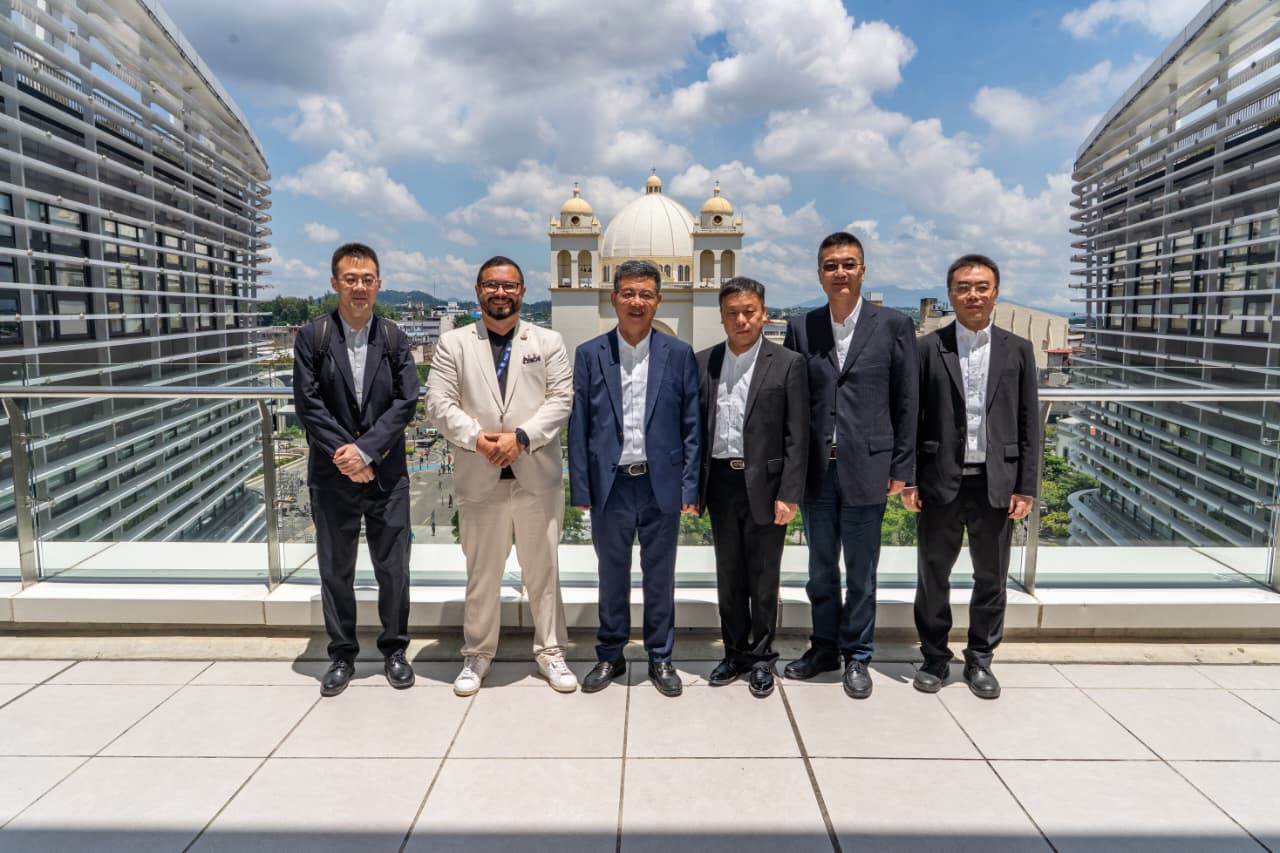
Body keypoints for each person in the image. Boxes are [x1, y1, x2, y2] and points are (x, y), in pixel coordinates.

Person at [426, 256, 576, 695]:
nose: (500, 293)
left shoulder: (547, 341)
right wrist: (479, 440)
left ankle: (551, 651)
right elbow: (438, 403)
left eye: (509, 286)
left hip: (536, 478)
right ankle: (477, 653)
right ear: (478, 290)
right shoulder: (454, 343)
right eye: (492, 285)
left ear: (523, 291)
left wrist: (522, 439)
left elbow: (561, 399)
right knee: (482, 574)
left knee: (543, 573)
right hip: (480, 477)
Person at [783, 231, 919, 698]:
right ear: (819, 274)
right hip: (817, 471)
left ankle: (858, 655)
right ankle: (823, 648)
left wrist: (902, 467)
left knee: (861, 572)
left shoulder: (894, 325)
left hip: (869, 467)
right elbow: (794, 403)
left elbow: (907, 400)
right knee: (821, 570)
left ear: (863, 270)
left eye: (848, 264)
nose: (839, 272)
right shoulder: (802, 327)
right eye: (830, 265)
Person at [903, 254, 1039, 700]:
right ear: (950, 294)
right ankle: (934, 657)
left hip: (996, 483)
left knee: (992, 577)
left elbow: (1029, 424)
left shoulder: (1018, 349)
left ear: (995, 292)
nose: (973, 295)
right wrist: (909, 478)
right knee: (933, 574)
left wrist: (1026, 486)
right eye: (963, 287)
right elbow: (912, 418)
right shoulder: (927, 348)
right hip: (939, 479)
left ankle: (980, 658)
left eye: (981, 287)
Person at [568, 259, 701, 697]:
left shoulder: (678, 354)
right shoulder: (590, 354)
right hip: (611, 486)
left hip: (660, 484)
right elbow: (579, 425)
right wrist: (581, 487)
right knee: (612, 574)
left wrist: (689, 486)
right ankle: (611, 654)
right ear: (614, 299)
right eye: (628, 293)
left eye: (645, 294)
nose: (636, 302)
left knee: (660, 576)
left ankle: (660, 656)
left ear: (658, 300)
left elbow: (691, 426)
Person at [293, 242, 419, 697]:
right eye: (351, 279)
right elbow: (308, 404)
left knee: (394, 568)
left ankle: (394, 650)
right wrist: (345, 455)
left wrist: (365, 452)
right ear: (335, 283)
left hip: (386, 474)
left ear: (379, 284)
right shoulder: (313, 336)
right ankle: (342, 653)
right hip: (332, 475)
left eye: (367, 279)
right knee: (335, 569)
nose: (359, 287)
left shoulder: (394, 338)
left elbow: (406, 401)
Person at [696, 277, 808, 698]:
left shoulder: (788, 363)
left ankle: (762, 659)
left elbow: (798, 435)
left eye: (749, 312)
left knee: (763, 577)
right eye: (732, 313)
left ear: (763, 315)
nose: (741, 319)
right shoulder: (704, 361)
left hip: (767, 484)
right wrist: (693, 489)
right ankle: (734, 653)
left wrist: (789, 493)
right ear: (722, 317)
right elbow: (694, 430)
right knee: (729, 575)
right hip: (720, 481)